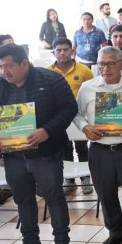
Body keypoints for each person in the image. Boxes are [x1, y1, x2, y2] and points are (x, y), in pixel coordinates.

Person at [0, 44, 77, 244]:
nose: (4, 71)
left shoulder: (51, 79)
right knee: (22, 199)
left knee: (54, 197)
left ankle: (62, 243)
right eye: (0, 67)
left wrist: (47, 130)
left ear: (24, 63)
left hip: (46, 154)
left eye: (9, 66)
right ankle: (31, 243)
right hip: (13, 157)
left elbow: (69, 108)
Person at [74, 46, 122, 244]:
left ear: (121, 64)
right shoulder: (87, 88)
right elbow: (77, 114)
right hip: (100, 150)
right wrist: (85, 128)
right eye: (101, 64)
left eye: (110, 64)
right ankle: (115, 232)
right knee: (105, 194)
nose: (105, 68)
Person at [46, 38, 94, 194]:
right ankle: (69, 180)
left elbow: (93, 92)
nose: (62, 53)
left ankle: (86, 178)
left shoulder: (84, 70)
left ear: (72, 51)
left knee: (82, 148)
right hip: (58, 118)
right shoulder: (47, 72)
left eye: (65, 49)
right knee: (64, 148)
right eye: (58, 50)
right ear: (53, 52)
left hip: (80, 116)